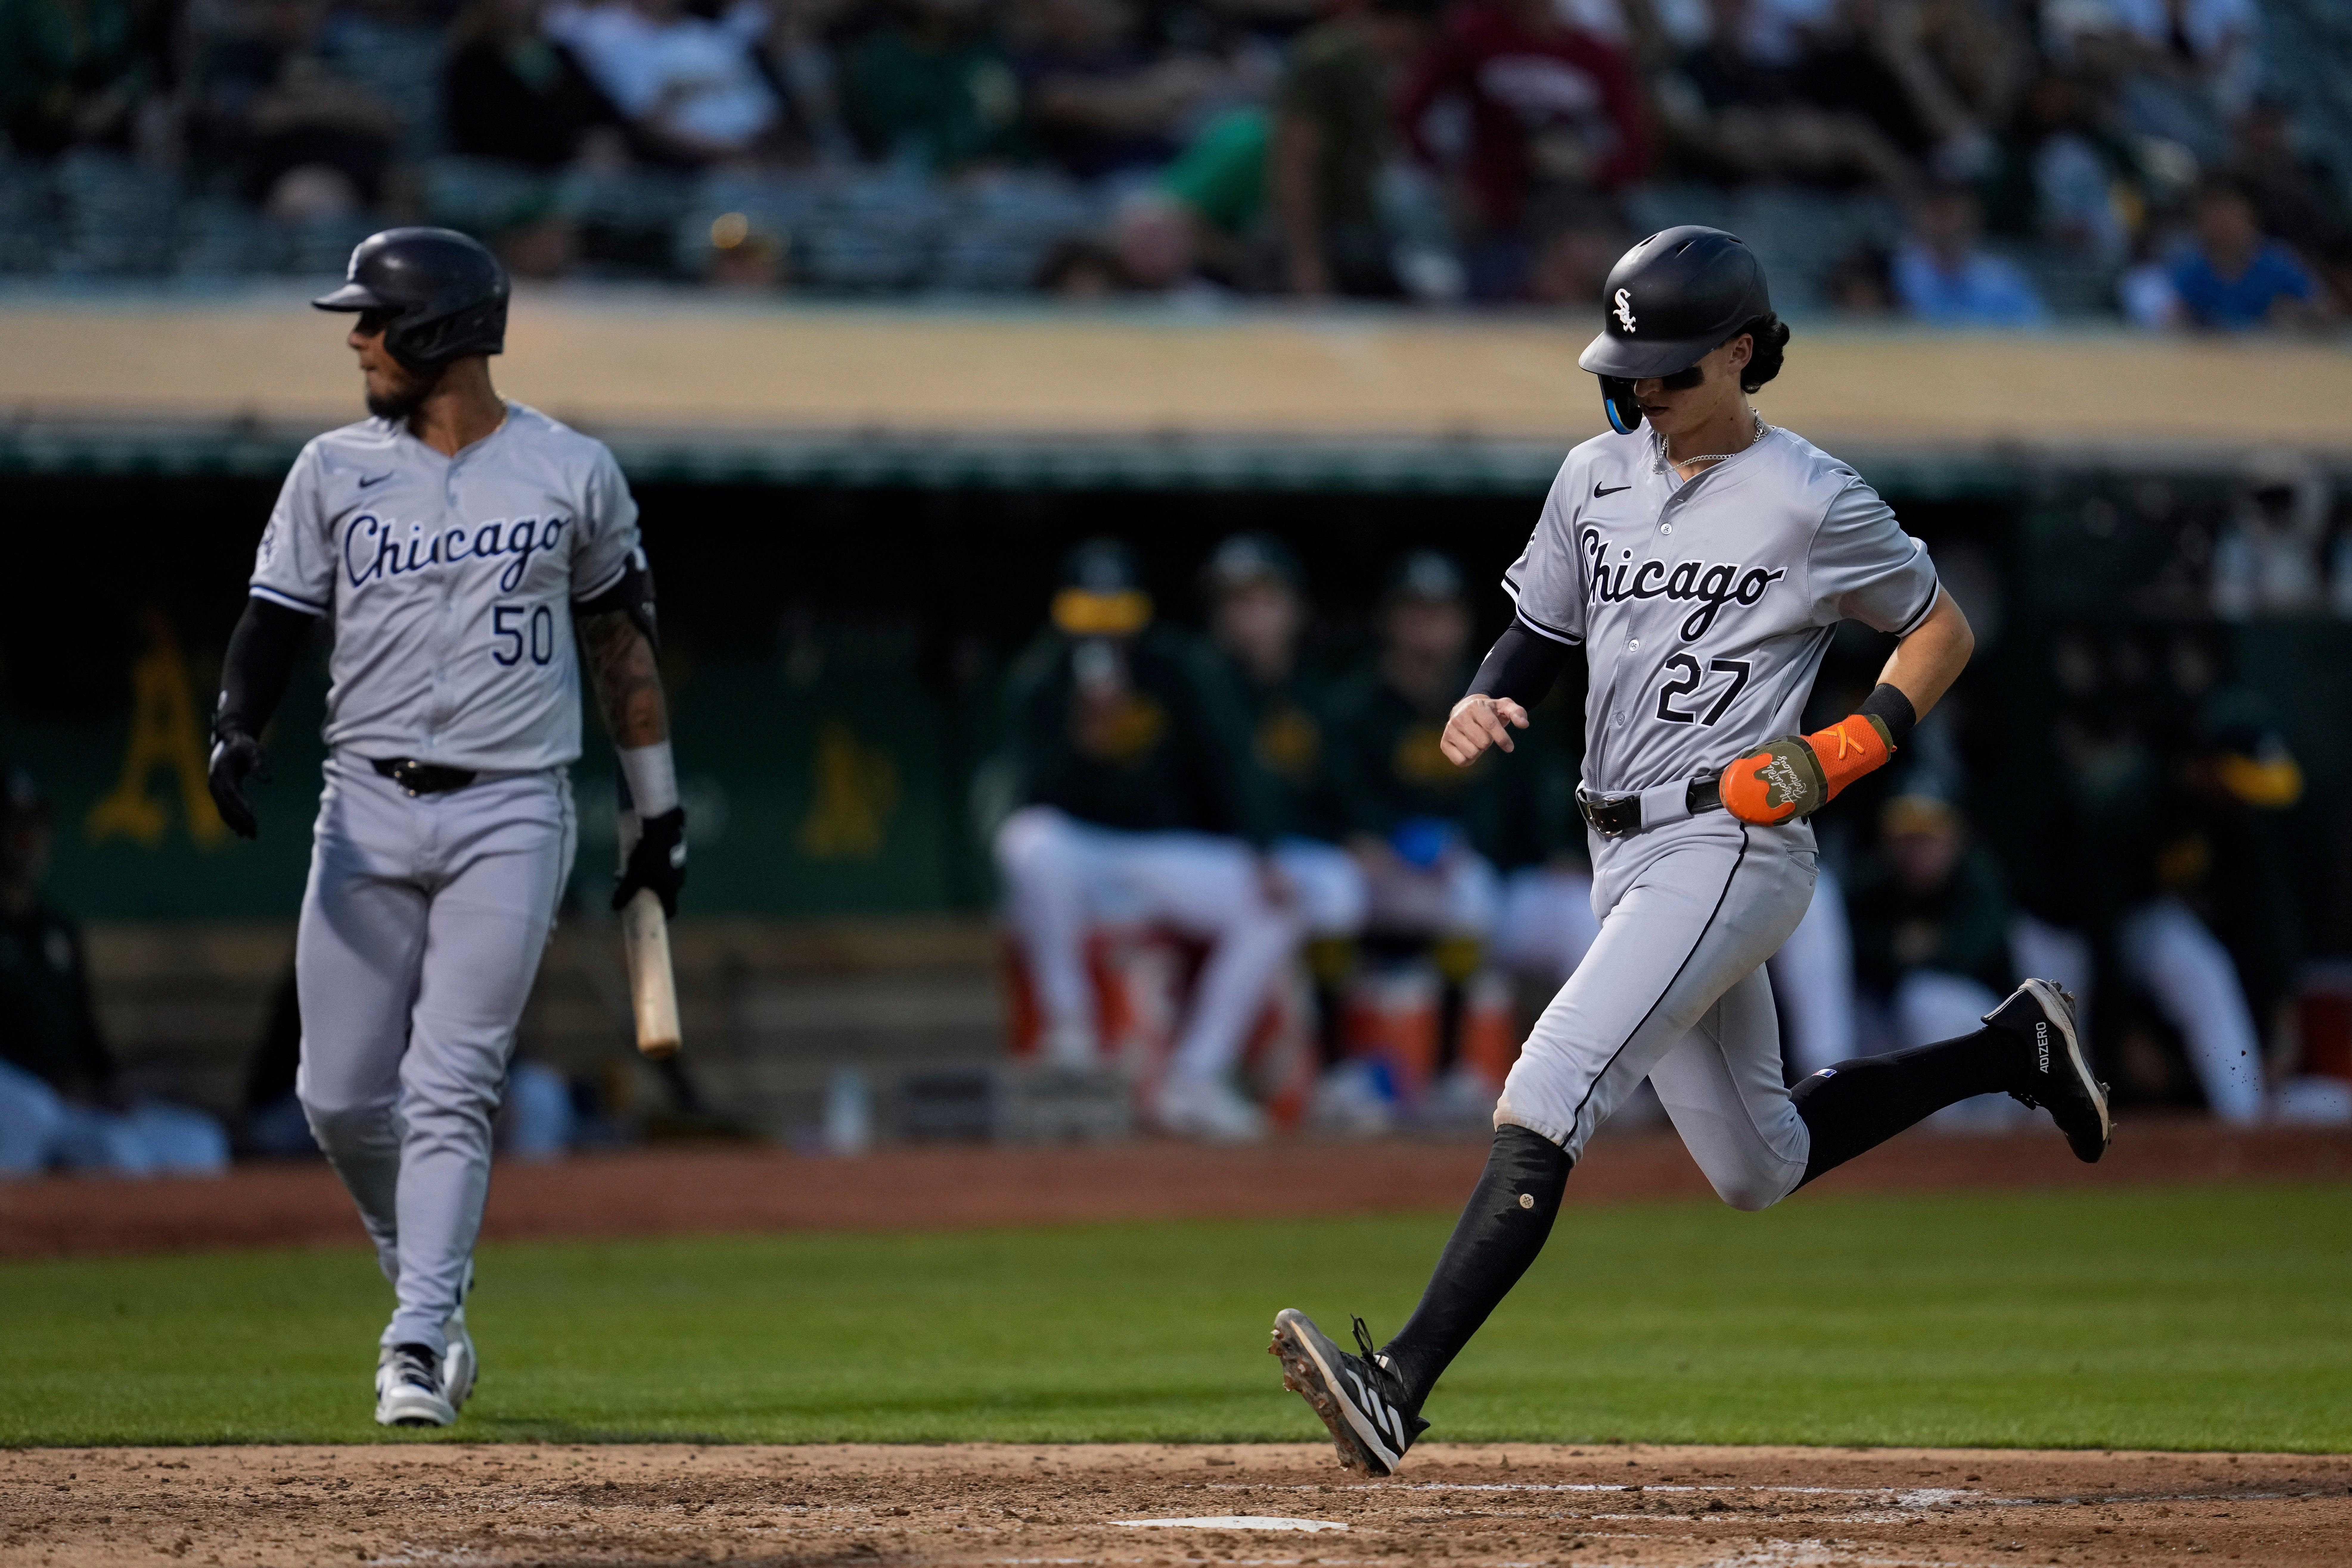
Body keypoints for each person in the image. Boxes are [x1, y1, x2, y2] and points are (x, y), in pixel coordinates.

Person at [1269, 226, 2108, 1477]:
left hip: (1733, 837)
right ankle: (2014, 1048)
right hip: (1614, 838)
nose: (1641, 387)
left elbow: (1938, 629)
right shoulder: (1593, 474)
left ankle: (1397, 1383)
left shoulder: (1813, 494)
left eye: (1666, 364)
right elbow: (1541, 628)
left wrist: (1850, 746)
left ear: (1740, 351)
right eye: (1629, 365)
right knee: (1757, 1163)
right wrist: (1488, 692)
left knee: (1551, 1081)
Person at [204, 227, 684, 1427]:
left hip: (512, 806)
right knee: (335, 1097)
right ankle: (430, 1276)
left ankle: (414, 1341)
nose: (359, 341)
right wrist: (235, 726)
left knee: (451, 1081)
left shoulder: (571, 469)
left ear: (439, 329)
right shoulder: (331, 469)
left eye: (374, 319)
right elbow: (274, 619)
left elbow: (622, 649)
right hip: (363, 802)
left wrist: (656, 811)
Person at [989, 538, 1292, 1141]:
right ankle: (1069, 1029)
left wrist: (1262, 851)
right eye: (1089, 616)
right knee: (1026, 843)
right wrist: (1081, 744)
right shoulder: (1041, 677)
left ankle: (1197, 1077)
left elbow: (1231, 762)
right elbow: (1024, 794)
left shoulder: (1178, 667)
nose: (1103, 633)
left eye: (1116, 615)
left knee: (1274, 907)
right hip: (1083, 853)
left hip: (1164, 852)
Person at [1198, 534, 1368, 1113]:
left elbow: (1338, 789)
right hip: (1216, 853)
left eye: (1264, 599)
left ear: (1294, 609)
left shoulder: (1312, 692)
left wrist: (1357, 836)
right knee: (1282, 903)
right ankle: (1228, 1069)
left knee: (1339, 886)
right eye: (1236, 602)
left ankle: (1331, 1064)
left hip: (1292, 854)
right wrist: (1260, 849)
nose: (1251, 616)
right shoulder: (1203, 683)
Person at [0, 764, 229, 1179]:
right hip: (21, 1100)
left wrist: (111, 1085)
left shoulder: (57, 931)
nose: (27, 839)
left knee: (201, 1142)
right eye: (14, 826)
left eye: (34, 826)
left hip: (71, 1106)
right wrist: (50, 1085)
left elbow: (86, 1038)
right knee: (107, 1148)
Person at [1268, 0, 1436, 299]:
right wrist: (1306, 260)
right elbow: (1296, 160)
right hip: (1321, 233)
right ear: (1402, 24)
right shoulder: (1329, 62)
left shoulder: (1373, 67)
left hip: (1355, 229)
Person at [1890, 182, 2049, 327]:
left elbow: (2039, 331)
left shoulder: (2001, 279)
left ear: (1972, 218)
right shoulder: (1895, 274)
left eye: (1951, 214)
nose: (1945, 226)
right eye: (1937, 214)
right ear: (1918, 218)